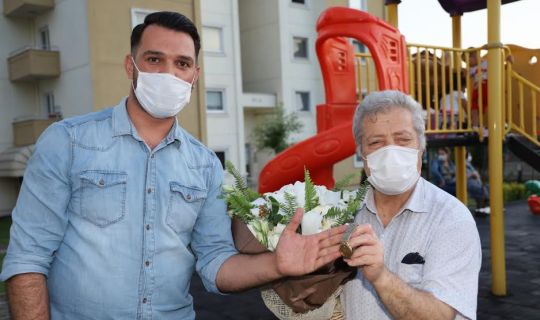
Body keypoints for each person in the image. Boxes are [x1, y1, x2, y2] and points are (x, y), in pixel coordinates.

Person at [0, 12, 347, 319]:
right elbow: (27, 261)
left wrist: (276, 265)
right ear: (129, 66)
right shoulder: (68, 142)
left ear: (195, 76)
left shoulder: (205, 165)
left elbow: (214, 265)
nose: (168, 73)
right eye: (154, 59)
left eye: (181, 63)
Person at [341, 90, 481, 319]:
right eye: (376, 142)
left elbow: (442, 315)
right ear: (361, 153)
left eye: (403, 139)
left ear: (421, 147)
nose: (390, 152)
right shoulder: (344, 213)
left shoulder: (451, 218)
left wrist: (380, 277)